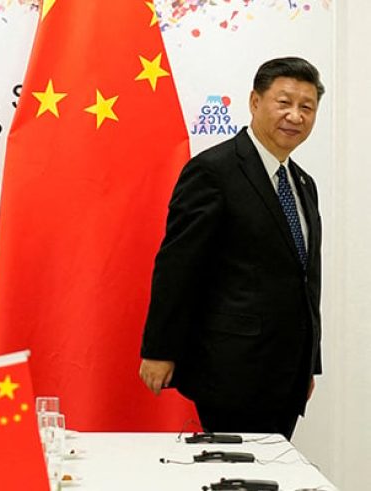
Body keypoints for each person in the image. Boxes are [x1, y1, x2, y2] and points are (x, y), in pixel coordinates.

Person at [138, 57, 324, 440]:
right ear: (255, 102)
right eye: (284, 102)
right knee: (237, 475)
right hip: (231, 368)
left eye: (306, 107)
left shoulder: (303, 183)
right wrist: (159, 349)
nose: (295, 115)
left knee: (272, 473)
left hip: (287, 373)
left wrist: (309, 364)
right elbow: (178, 266)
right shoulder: (213, 171)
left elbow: (306, 279)